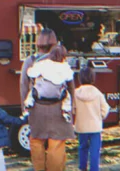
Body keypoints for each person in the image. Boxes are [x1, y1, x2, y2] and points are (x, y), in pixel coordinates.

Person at [20, 27, 76, 171]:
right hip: (59, 107)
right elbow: (70, 86)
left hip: (37, 107)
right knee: (56, 144)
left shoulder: (31, 60)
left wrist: (24, 108)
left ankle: (39, 168)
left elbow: (23, 85)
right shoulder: (62, 61)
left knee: (36, 141)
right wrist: (72, 107)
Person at [22, 45, 74, 123]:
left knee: (31, 93)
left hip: (41, 92)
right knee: (67, 97)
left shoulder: (42, 64)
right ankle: (65, 110)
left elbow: (31, 73)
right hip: (58, 94)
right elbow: (69, 78)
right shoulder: (65, 67)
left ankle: (27, 107)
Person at [74, 67, 110, 171]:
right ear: (93, 78)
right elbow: (105, 108)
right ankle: (94, 169)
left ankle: (82, 167)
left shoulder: (76, 93)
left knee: (82, 148)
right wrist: (100, 116)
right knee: (95, 150)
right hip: (95, 126)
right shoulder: (98, 93)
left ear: (80, 78)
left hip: (81, 126)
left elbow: (72, 109)